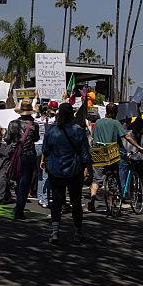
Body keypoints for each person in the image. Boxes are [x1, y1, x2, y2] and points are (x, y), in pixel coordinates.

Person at [41, 102, 91, 246]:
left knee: (56, 201)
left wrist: (45, 161)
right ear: (71, 115)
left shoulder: (51, 131)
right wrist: (87, 167)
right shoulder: (79, 131)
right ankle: (77, 232)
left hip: (55, 169)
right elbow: (85, 153)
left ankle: (55, 231)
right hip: (74, 170)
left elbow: (46, 150)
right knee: (76, 202)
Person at [88, 102, 143, 213]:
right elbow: (126, 136)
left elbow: (92, 136)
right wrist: (138, 146)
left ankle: (92, 199)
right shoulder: (115, 123)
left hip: (98, 152)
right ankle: (112, 204)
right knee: (114, 177)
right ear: (115, 113)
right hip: (111, 152)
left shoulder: (98, 122)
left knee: (96, 179)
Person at [3, 101, 40, 219]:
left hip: (15, 155)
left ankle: (18, 205)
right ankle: (20, 208)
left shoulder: (12, 123)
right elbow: (36, 138)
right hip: (28, 155)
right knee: (25, 182)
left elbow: (7, 139)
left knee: (18, 180)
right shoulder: (34, 125)